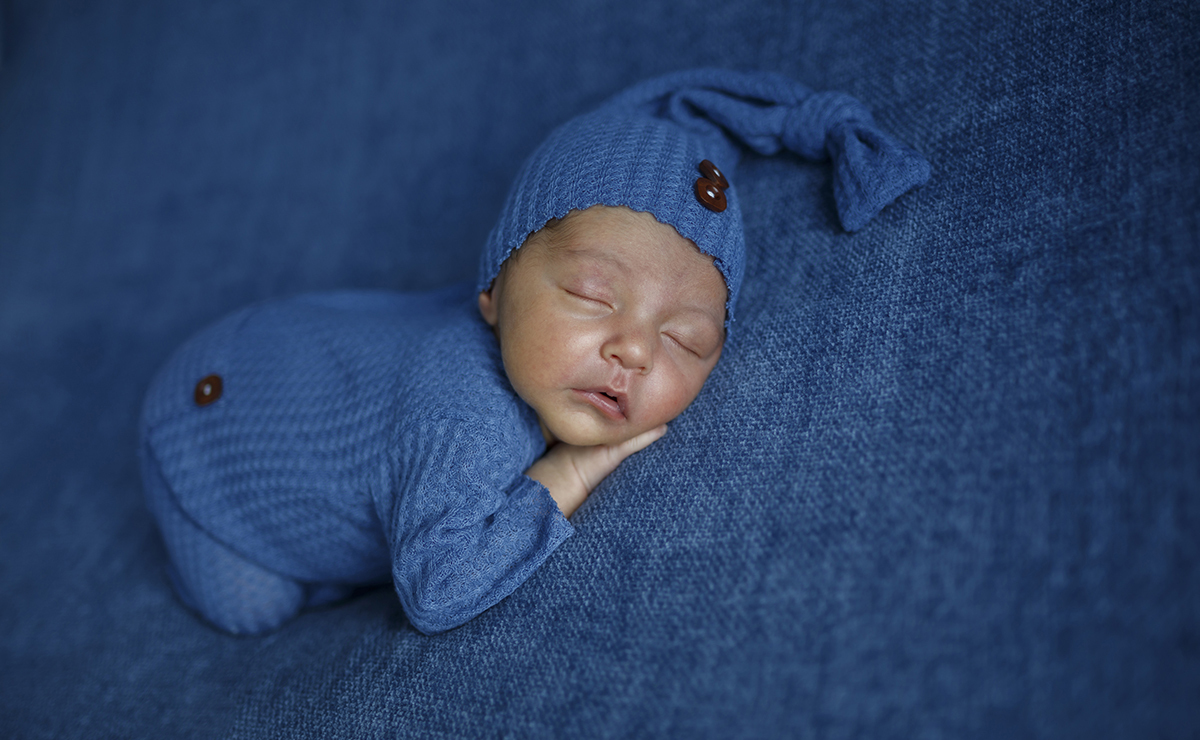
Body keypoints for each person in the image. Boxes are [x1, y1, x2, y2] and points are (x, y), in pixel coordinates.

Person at [138, 68, 929, 636]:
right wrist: (569, 472)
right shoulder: (468, 412)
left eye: (687, 339)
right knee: (253, 608)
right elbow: (437, 592)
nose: (634, 349)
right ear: (493, 289)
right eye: (592, 295)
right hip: (204, 428)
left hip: (306, 356)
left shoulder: (524, 358)